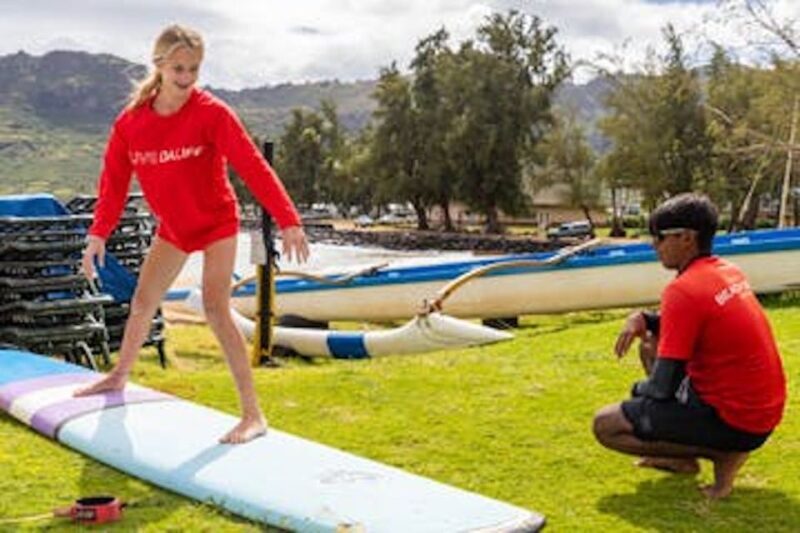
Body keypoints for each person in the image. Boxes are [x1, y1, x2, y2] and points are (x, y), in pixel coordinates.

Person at [75, 24, 310, 444]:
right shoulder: (131, 124)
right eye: (178, 69)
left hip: (217, 222)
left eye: (194, 69)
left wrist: (288, 219)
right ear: (159, 65)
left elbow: (253, 166)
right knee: (143, 302)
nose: (186, 78)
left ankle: (252, 415)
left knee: (216, 309)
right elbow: (113, 184)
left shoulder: (212, 113)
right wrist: (98, 235)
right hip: (174, 229)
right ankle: (118, 376)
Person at [592, 193, 786, 499]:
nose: (653, 245)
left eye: (659, 237)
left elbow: (662, 388)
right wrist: (644, 318)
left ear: (686, 238)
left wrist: (637, 391)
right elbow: (693, 321)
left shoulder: (683, 290)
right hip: (761, 415)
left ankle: (722, 453)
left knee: (606, 425)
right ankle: (682, 457)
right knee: (650, 345)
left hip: (736, 421)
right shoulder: (726, 271)